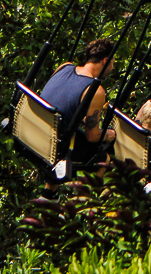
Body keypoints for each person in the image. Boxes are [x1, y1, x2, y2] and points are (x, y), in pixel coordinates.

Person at [38, 38, 117, 201]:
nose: (113, 67)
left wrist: (80, 118)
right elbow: (93, 136)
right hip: (54, 145)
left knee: (72, 133)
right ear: (105, 61)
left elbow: (59, 101)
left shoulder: (65, 67)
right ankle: (79, 207)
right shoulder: (95, 90)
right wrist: (110, 134)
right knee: (103, 158)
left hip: (35, 130)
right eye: (112, 62)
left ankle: (48, 195)